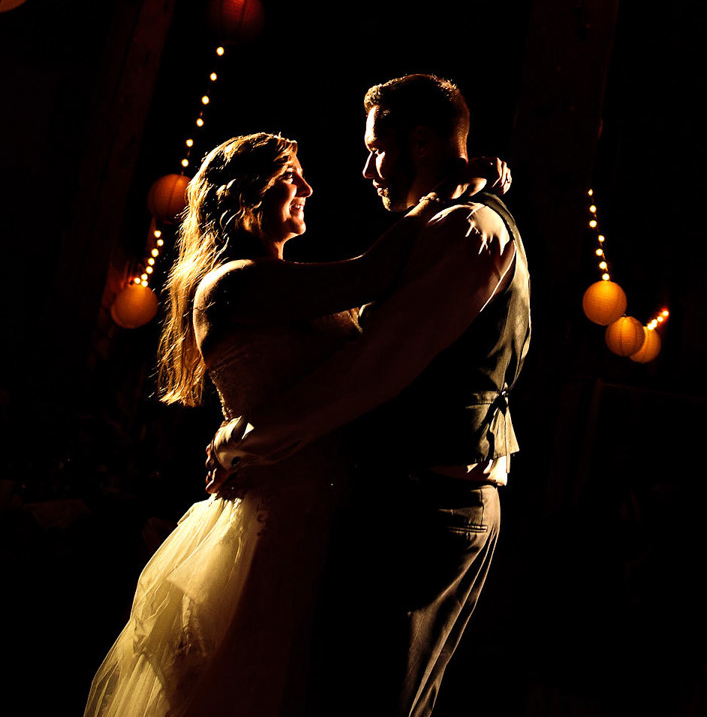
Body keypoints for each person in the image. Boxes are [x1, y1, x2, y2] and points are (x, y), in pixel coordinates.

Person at [83, 129, 446, 717]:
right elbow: (371, 274)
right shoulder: (238, 282)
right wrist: (447, 195)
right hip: (281, 516)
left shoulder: (281, 280)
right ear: (245, 196)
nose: (306, 187)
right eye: (287, 177)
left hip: (317, 503)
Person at [209, 74, 531, 717]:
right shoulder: (443, 221)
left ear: (418, 143)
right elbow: (366, 300)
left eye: (376, 148)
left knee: (375, 696)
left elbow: (376, 366)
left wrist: (248, 440)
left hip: (428, 502)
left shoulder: (464, 226)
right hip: (385, 497)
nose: (364, 170)